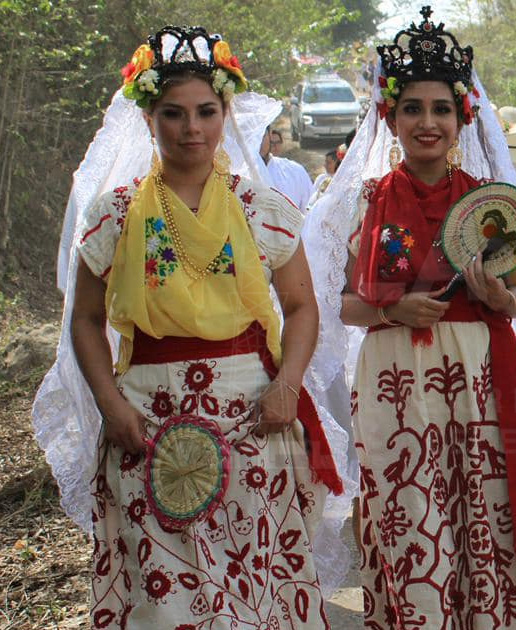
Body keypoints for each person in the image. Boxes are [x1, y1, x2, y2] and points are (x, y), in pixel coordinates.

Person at [34, 26, 348, 627]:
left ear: (225, 114)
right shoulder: (114, 216)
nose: (191, 128)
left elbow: (302, 308)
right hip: (145, 421)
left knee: (255, 576)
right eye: (173, 114)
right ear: (149, 117)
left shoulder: (263, 211)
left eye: (206, 112)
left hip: (254, 414)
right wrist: (109, 403)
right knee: (165, 592)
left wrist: (287, 385)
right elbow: (88, 318)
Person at [333, 7, 516, 626]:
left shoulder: (491, 201)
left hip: (480, 370)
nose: (427, 122)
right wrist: (391, 307)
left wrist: (497, 300)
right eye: (413, 109)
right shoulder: (368, 200)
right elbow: (347, 306)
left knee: (486, 508)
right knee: (412, 511)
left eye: (440, 109)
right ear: (392, 117)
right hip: (395, 378)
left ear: (463, 117)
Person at [260, 127, 314, 208]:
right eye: (249, 136)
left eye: (261, 136)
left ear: (269, 136)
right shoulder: (237, 175)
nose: (257, 142)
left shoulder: (295, 171)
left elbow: (310, 211)